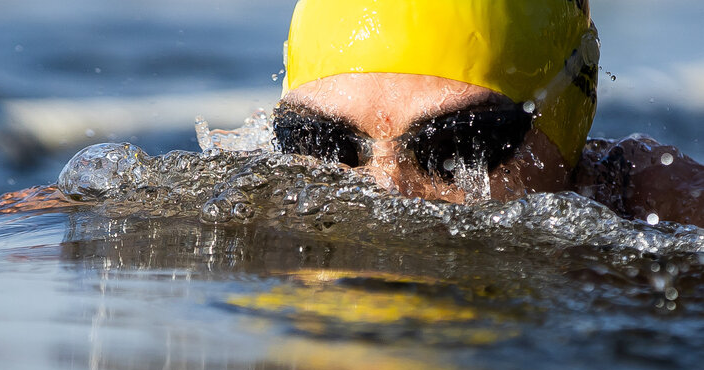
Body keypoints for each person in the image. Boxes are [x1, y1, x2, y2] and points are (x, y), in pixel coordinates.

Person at [272, 0, 704, 226]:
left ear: (566, 117)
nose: (386, 187)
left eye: (455, 146)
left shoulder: (666, 210)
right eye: (325, 143)